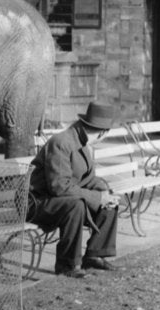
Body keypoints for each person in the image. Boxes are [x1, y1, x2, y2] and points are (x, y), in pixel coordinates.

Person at [27, 101, 124, 278]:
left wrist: (105, 193)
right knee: (76, 205)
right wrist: (97, 198)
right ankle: (67, 265)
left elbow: (87, 179)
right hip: (36, 202)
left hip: (59, 199)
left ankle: (95, 255)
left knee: (109, 204)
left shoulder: (81, 141)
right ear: (103, 133)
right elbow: (59, 186)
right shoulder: (62, 142)